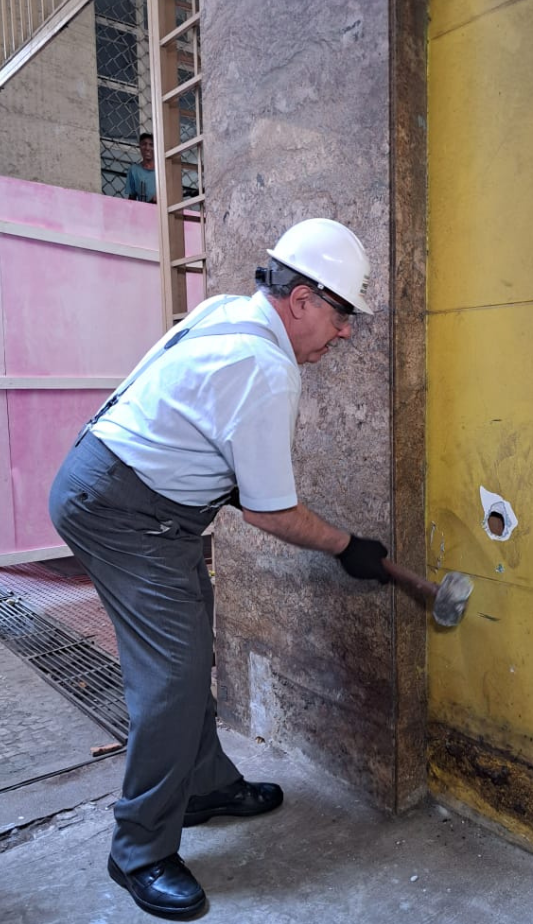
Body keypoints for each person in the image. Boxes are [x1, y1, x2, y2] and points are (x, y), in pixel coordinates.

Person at [48, 218, 388, 919]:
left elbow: (204, 431)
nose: (345, 331)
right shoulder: (265, 369)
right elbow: (269, 512)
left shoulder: (231, 312)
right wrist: (348, 546)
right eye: (342, 313)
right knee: (171, 679)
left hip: (140, 499)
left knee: (188, 646)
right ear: (300, 300)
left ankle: (201, 784)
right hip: (121, 509)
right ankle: (138, 848)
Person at [125, 132, 156, 203]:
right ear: (140, 147)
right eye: (144, 144)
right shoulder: (134, 170)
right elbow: (132, 198)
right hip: (143, 210)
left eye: (151, 145)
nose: (147, 148)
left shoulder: (163, 169)